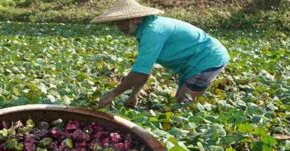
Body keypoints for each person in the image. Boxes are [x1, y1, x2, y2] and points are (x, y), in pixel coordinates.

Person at [92, 0, 230, 108]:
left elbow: (139, 73)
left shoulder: (153, 31)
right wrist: (134, 94)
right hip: (192, 63)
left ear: (136, 19)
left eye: (121, 23)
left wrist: (113, 94)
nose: (119, 28)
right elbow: (145, 69)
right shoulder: (145, 31)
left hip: (208, 58)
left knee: (183, 104)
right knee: (180, 102)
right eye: (116, 24)